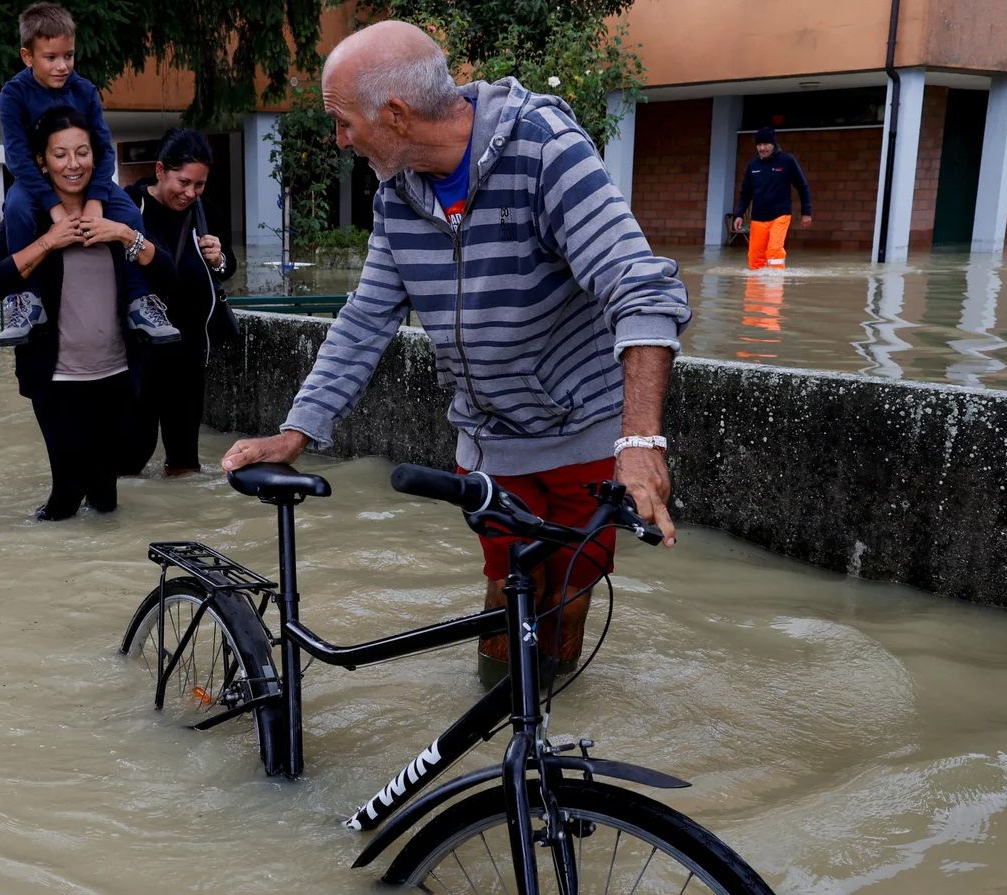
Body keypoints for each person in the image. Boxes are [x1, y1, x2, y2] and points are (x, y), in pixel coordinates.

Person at [219, 21, 691, 689]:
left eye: (345, 123)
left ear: (396, 114)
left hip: (582, 431)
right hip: (490, 438)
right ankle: (498, 720)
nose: (340, 140)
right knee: (507, 590)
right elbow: (365, 319)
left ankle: (548, 723)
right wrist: (297, 431)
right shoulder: (398, 194)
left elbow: (641, 285)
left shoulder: (546, 153)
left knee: (569, 595)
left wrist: (640, 437)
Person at [0, 108, 169, 521]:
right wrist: (48, 243)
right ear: (41, 162)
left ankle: (99, 579)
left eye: (82, 152)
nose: (73, 164)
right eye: (61, 154)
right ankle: (45, 571)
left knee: (105, 496)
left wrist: (124, 235)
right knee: (65, 494)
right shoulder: (27, 216)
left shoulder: (117, 211)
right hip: (55, 379)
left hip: (116, 375)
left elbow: (167, 274)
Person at [0, 2, 179, 349]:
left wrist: (95, 202)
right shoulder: (14, 93)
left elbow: (104, 151)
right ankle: (27, 302)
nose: (62, 66)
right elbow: (18, 158)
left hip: (91, 184)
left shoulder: (85, 91)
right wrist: (53, 207)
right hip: (34, 181)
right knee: (16, 209)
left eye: (69, 55)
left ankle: (141, 302)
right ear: (27, 56)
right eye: (51, 57)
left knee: (126, 213)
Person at [122, 129, 237, 477]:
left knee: (185, 460)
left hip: (188, 356)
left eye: (199, 185)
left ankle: (185, 523)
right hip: (138, 355)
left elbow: (227, 266)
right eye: (183, 182)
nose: (190, 193)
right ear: (160, 170)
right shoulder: (129, 205)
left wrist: (219, 258)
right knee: (129, 459)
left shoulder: (205, 211)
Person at [734, 126, 814, 270]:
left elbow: (802, 186)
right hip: (758, 218)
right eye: (759, 145)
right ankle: (755, 292)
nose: (762, 148)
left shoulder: (787, 161)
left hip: (780, 215)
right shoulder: (753, 165)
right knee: (754, 257)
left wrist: (806, 212)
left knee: (774, 251)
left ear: (773, 144)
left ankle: (775, 289)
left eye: (766, 144)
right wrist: (739, 214)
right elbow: (746, 193)